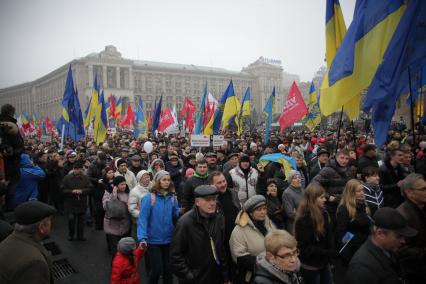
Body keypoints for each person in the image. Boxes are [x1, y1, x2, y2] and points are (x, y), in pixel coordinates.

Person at [171, 185, 230, 284]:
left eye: (214, 199)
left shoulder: (218, 218)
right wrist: (189, 276)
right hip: (195, 279)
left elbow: (220, 249)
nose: (212, 203)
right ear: (197, 202)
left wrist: (225, 276)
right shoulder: (185, 223)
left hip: (216, 277)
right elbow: (175, 257)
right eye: (207, 200)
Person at [344, 207, 417, 284]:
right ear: (380, 234)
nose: (403, 241)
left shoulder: (388, 249)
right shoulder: (361, 270)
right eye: (399, 236)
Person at [137, 170, 180, 284]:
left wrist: (180, 210)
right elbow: (143, 219)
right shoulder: (149, 197)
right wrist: (142, 238)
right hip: (153, 240)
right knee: (156, 270)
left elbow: (175, 214)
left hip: (168, 239)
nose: (167, 182)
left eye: (168, 180)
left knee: (169, 270)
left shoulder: (172, 197)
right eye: (164, 180)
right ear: (158, 181)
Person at [0, 201, 56, 284]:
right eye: (50, 220)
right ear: (41, 227)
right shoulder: (35, 264)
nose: (52, 224)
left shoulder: (6, 242)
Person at [294, 182, 337, 284]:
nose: (325, 200)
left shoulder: (323, 213)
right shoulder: (304, 220)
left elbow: (327, 236)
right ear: (313, 199)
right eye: (321, 197)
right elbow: (305, 248)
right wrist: (328, 252)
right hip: (311, 267)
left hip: (323, 262)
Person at [230, 195, 276, 283]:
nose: (263, 212)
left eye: (264, 208)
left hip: (272, 272)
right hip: (252, 276)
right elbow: (239, 257)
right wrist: (264, 262)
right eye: (259, 210)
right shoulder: (239, 230)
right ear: (250, 213)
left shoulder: (268, 223)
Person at [397, 173, 426, 283]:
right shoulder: (402, 215)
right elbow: (401, 250)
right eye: (423, 189)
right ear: (409, 192)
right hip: (415, 272)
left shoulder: (422, 206)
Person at [335, 179, 372, 265]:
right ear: (351, 193)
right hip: (352, 252)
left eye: (362, 190)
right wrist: (356, 240)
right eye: (358, 191)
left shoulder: (363, 205)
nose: (362, 193)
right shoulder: (344, 209)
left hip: (366, 248)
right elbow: (341, 235)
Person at [312, 149, 352, 227]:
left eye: (347, 158)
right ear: (336, 157)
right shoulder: (328, 170)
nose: (344, 160)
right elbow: (314, 184)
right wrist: (328, 197)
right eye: (342, 158)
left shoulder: (347, 169)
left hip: (343, 205)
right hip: (330, 208)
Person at [61, 160, 92, 241]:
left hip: (82, 202)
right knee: (71, 220)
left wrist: (82, 191)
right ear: (73, 169)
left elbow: (90, 188)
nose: (78, 170)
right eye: (76, 169)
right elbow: (62, 190)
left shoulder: (86, 178)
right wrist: (72, 191)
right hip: (71, 203)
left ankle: (80, 235)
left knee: (81, 221)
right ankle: (71, 235)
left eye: (80, 169)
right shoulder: (67, 178)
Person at [103, 176, 131, 257]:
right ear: (115, 185)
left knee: (126, 251)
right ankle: (115, 268)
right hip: (112, 227)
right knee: (115, 252)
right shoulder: (108, 192)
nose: (124, 186)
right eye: (121, 184)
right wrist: (114, 195)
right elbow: (105, 207)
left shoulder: (128, 193)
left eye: (125, 184)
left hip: (125, 225)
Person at [128, 170, 151, 237]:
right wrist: (142, 215)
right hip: (140, 221)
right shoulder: (135, 191)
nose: (147, 179)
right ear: (139, 179)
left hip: (153, 219)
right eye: (144, 178)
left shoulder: (153, 187)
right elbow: (132, 209)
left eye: (148, 177)